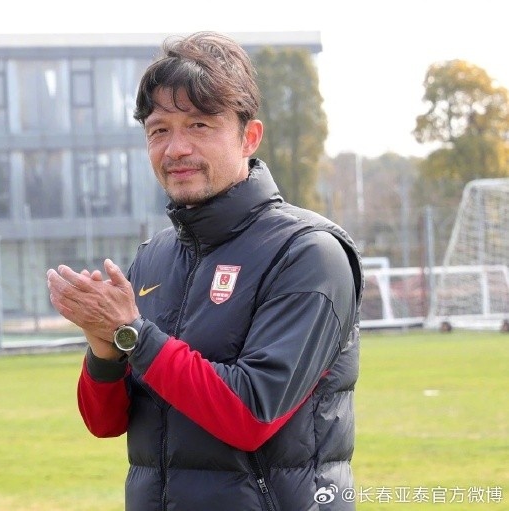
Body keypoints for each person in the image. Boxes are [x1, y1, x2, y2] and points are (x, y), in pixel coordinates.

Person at [47, 31, 363, 511]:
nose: (176, 148)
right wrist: (104, 345)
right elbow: (106, 423)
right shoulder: (153, 256)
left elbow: (251, 415)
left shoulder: (308, 253)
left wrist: (133, 333)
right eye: (159, 130)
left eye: (199, 125)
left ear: (248, 136)